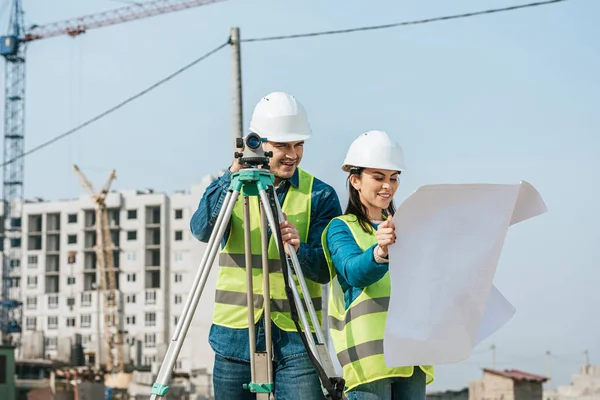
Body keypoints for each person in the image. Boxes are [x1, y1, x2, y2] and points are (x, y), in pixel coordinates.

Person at [190, 91, 342, 400]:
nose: (292, 154)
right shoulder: (232, 187)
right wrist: (230, 176)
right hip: (235, 332)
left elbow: (327, 270)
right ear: (257, 142)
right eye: (282, 145)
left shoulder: (319, 195)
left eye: (298, 144)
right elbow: (202, 229)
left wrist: (301, 251)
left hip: (296, 338)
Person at [321, 130, 434, 400]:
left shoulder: (408, 224)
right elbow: (353, 271)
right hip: (369, 358)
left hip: (411, 350)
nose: (388, 186)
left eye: (393, 178)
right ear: (356, 180)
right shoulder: (340, 228)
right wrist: (381, 251)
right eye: (379, 177)